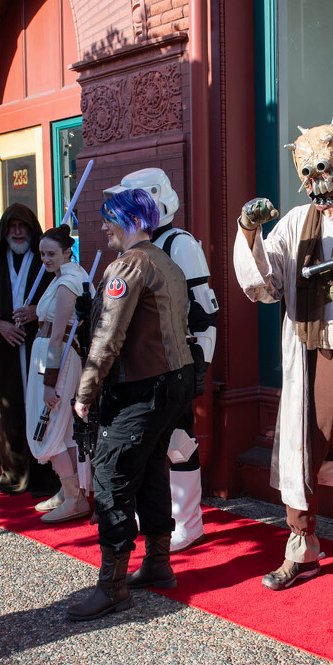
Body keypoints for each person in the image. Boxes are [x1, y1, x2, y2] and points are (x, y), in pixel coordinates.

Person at [233, 121, 333, 591]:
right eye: (307, 174)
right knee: (300, 456)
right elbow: (264, 287)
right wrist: (249, 231)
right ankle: (303, 547)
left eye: (324, 170)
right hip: (313, 359)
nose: (317, 183)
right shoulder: (293, 225)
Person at [66, 188, 191, 621]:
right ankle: (158, 564)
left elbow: (108, 336)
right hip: (170, 384)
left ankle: (113, 585)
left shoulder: (129, 265)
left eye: (109, 219)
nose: (103, 227)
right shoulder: (167, 262)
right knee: (152, 471)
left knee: (113, 475)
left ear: (131, 220)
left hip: (141, 386)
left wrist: (85, 392)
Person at [104, 168, 218, 552]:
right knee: (151, 443)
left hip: (177, 361)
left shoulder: (178, 243)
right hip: (148, 362)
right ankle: (162, 520)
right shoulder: (139, 246)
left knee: (178, 440)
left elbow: (204, 311)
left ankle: (188, 522)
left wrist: (199, 361)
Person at [0, 203, 58, 497]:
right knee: (10, 409)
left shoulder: (47, 264)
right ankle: (15, 470)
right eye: (12, 227)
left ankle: (47, 474)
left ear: (32, 231)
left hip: (38, 348)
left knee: (43, 407)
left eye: (23, 227)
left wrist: (37, 312)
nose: (18, 233)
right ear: (5, 231)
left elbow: (64, 299)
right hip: (6, 351)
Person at [25, 224, 92, 523]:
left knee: (49, 427)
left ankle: (74, 498)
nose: (45, 260)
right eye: (41, 254)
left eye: (51, 254)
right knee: (62, 430)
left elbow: (58, 337)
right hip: (53, 357)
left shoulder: (68, 282)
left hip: (58, 361)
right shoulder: (64, 277)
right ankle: (70, 491)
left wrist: (49, 383)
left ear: (68, 251)